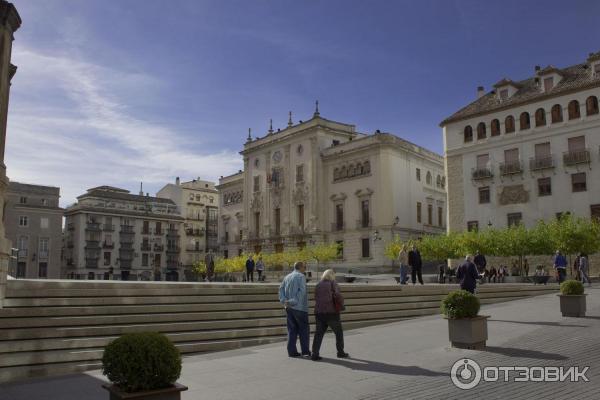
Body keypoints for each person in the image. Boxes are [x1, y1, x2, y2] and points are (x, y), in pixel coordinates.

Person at [311, 269, 349, 361]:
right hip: (331, 312)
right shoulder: (333, 283)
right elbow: (338, 295)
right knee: (338, 333)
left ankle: (314, 354)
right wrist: (342, 304)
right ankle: (340, 352)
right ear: (332, 276)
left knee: (318, 334)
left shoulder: (318, 284)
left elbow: (315, 297)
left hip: (319, 312)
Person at [278, 261, 310, 358]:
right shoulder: (301, 276)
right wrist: (292, 301)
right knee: (304, 330)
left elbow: (281, 289)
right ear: (300, 267)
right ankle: (305, 352)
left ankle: (292, 352)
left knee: (292, 330)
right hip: (299, 307)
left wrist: (284, 301)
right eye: (305, 267)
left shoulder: (287, 277)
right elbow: (302, 292)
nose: (305, 269)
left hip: (289, 307)